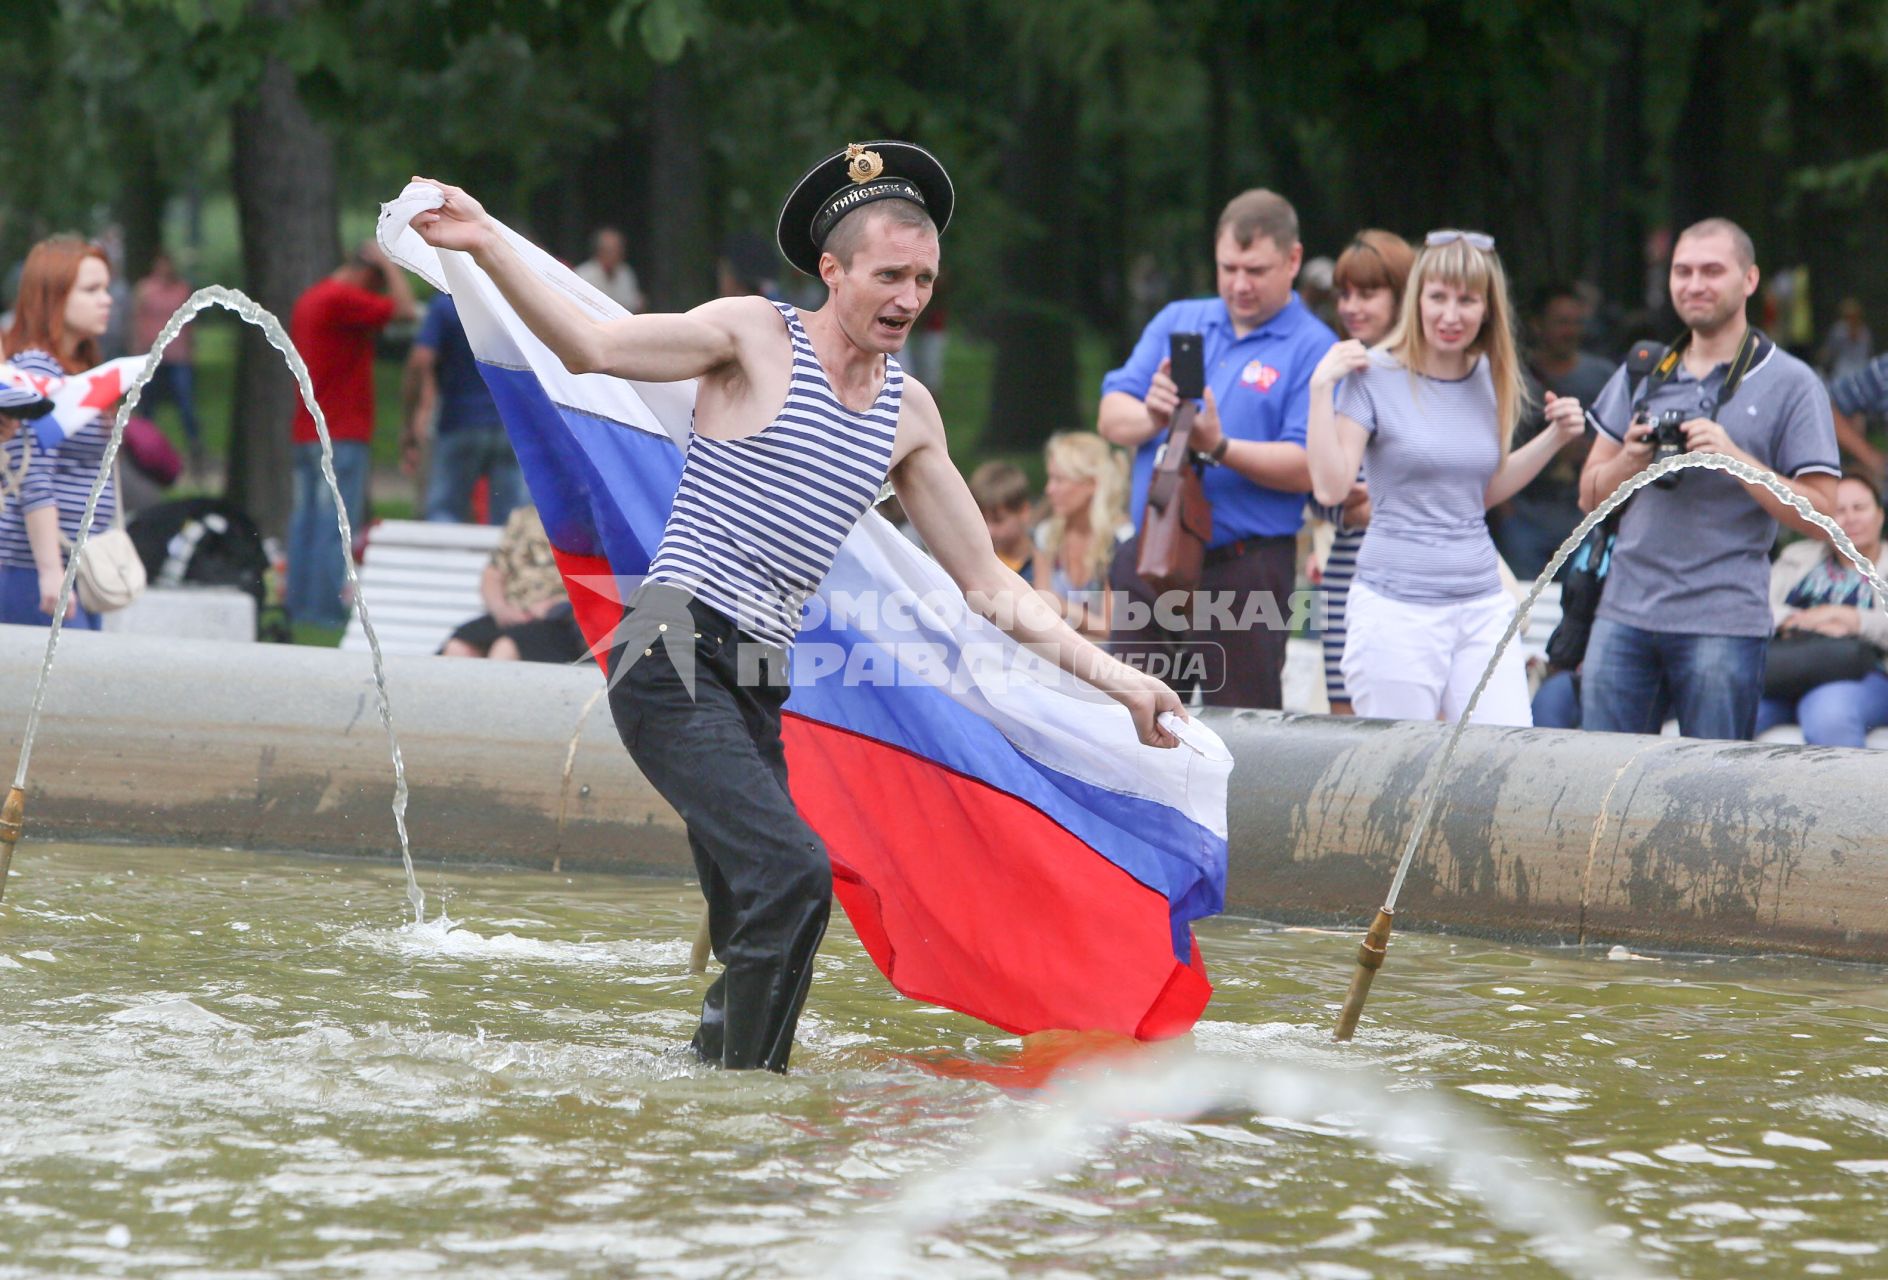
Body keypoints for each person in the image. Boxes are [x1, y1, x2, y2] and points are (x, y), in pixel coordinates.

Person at [408, 141, 1182, 1072]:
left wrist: (1121, 684)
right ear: (833, 269)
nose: (907, 299)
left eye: (925, 280)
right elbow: (594, 348)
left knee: (761, 918)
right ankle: (751, 1116)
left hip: (759, 678)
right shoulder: (750, 334)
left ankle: (704, 1098)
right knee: (792, 877)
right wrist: (486, 240)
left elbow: (991, 587)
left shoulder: (911, 415)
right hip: (671, 647)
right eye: (888, 275)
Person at [1306, 229, 1587, 726]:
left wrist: (1554, 439)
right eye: (1438, 297)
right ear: (1416, 299)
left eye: (1466, 300)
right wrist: (1318, 389)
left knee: (1502, 759)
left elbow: (1478, 493)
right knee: (1398, 775)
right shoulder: (1370, 374)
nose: (1450, 315)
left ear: (1487, 308)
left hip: (1481, 603)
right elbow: (1330, 488)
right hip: (1396, 607)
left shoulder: (1488, 374)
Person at [1579, 217, 1840, 741]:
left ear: (1749, 280)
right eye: (1683, 271)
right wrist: (1630, 460)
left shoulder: (1791, 382)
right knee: (1597, 784)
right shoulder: (1645, 369)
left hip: (1722, 622)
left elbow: (1825, 516)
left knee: (1710, 797)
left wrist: (1736, 459)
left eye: (1711, 271)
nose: (1694, 284)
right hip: (1623, 613)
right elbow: (1589, 496)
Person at [1097, 189, 1337, 709]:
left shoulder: (1315, 347)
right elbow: (1110, 416)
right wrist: (1152, 416)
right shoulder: (1180, 319)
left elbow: (1309, 468)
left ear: (1293, 260)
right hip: (1153, 557)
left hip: (1244, 569)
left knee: (1244, 732)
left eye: (1256, 269)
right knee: (1129, 722)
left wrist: (1219, 445)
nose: (1239, 284)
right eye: (1228, 267)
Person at [1305, 229, 1413, 715]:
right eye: (1344, 294)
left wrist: (1379, 501)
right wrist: (1352, 504)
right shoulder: (1338, 371)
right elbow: (1315, 491)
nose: (1351, 307)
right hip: (1347, 572)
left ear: (1402, 295)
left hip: (1422, 576)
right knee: (1346, 733)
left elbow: (1466, 485)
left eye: (1368, 294)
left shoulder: (1438, 376)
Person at [284, 241, 417, 628]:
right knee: (334, 524)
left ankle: (299, 604)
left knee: (306, 521)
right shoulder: (343, 299)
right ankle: (324, 611)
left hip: (308, 431)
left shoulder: (311, 298)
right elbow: (406, 310)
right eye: (374, 285)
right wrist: (390, 266)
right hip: (340, 431)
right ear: (366, 275)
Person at [0, 237, 119, 629]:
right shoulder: (36, 367)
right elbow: (32, 473)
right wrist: (50, 570)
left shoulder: (70, 367)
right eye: (91, 290)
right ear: (53, 297)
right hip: (31, 568)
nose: (107, 299)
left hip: (73, 565)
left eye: (105, 287)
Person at [1490, 282, 1616, 581]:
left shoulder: (1604, 376)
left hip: (1584, 519)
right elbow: (1492, 448)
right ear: (1536, 325)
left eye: (1577, 322)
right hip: (1523, 522)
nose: (1570, 331)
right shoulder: (1512, 380)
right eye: (1561, 322)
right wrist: (1506, 514)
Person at [1754, 473, 1888, 747]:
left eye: (1859, 508)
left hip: (1866, 675)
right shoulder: (1797, 556)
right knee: (1736, 713)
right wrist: (1797, 620)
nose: (1850, 518)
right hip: (1789, 670)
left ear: (1880, 515)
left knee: (1830, 716)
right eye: (1839, 510)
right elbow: (1753, 606)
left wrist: (1854, 621)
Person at [402, 292, 526, 525]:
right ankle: (505, 561)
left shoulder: (446, 305)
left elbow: (421, 359)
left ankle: (443, 559)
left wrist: (410, 419)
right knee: (511, 517)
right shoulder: (507, 301)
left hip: (458, 420)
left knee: (445, 508)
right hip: (508, 424)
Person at [440, 505, 586, 662]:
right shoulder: (523, 517)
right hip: (511, 616)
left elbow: (607, 580)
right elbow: (494, 572)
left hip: (563, 624)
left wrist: (558, 605)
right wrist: (501, 609)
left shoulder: (592, 518)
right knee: (458, 647)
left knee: (506, 648)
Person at [1034, 431, 1129, 640]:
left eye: (1059, 480)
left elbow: (1113, 628)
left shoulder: (1121, 542)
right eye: (1050, 478)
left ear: (1091, 485)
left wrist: (1064, 608)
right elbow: (1038, 614)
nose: (1049, 490)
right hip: (1057, 656)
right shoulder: (1047, 536)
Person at [131, 250, 203, 467]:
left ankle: (195, 448)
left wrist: (191, 351)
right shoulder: (145, 290)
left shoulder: (182, 290)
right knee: (147, 406)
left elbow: (190, 325)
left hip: (177, 355)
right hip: (152, 355)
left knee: (186, 404)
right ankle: (143, 451)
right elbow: (137, 320)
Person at [968, 459, 1034, 582]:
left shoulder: (1049, 564)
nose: (989, 530)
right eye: (982, 520)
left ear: (1024, 511)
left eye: (998, 520)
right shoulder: (972, 566)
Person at [575, 227, 645, 313]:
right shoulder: (583, 274)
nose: (615, 255)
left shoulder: (625, 272)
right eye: (610, 251)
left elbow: (634, 303)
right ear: (599, 251)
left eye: (618, 250)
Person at [1820, 297, 1872, 385]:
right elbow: (1829, 351)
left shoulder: (1864, 332)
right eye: (1848, 316)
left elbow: (1867, 353)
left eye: (1853, 315)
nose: (1851, 318)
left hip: (1860, 372)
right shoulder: (1838, 330)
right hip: (1842, 372)